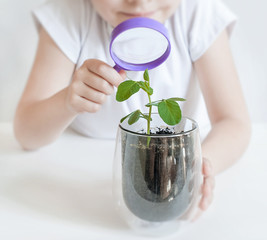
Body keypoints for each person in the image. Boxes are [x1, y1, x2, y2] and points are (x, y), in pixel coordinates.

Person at [14, 0, 251, 219]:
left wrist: (197, 166)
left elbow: (233, 122)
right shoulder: (69, 14)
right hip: (81, 174)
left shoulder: (199, 13)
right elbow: (27, 133)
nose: (139, 2)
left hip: (176, 161)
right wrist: (66, 101)